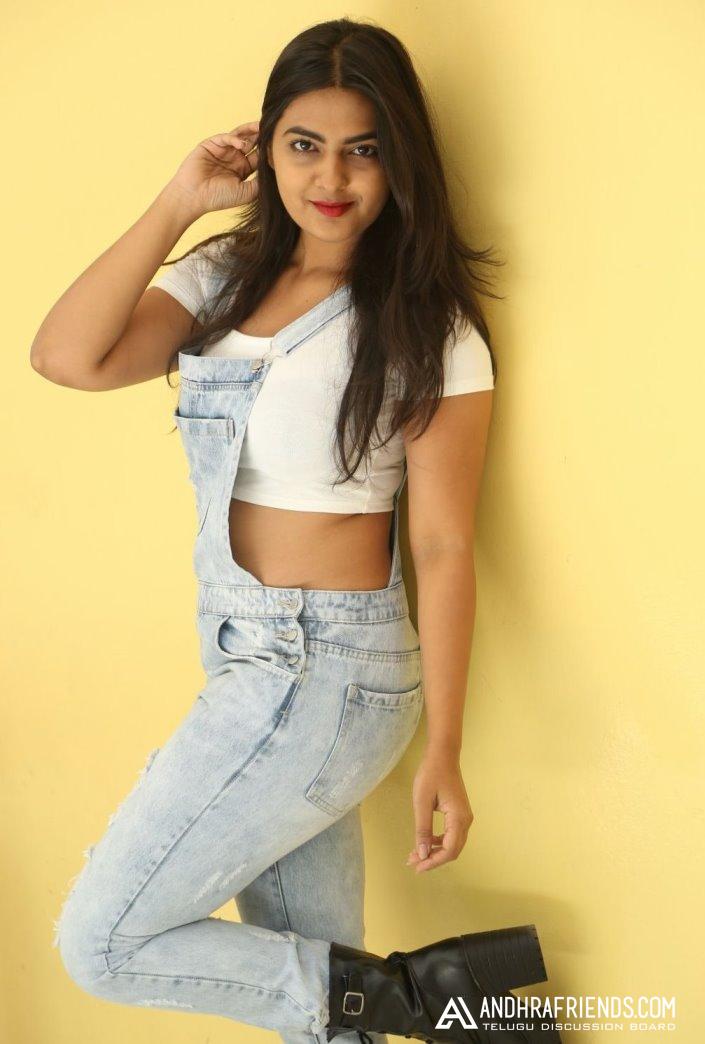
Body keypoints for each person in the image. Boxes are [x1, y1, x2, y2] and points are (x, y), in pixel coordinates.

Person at [32, 17, 560, 1044]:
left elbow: (443, 547)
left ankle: (423, 996)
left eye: (364, 149)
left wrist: (445, 749)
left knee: (103, 942)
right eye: (304, 145)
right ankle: (429, 1003)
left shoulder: (427, 323)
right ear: (265, 148)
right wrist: (179, 199)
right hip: (242, 652)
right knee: (314, 1004)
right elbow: (68, 357)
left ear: (400, 160)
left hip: (329, 671)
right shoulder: (222, 278)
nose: (332, 177)